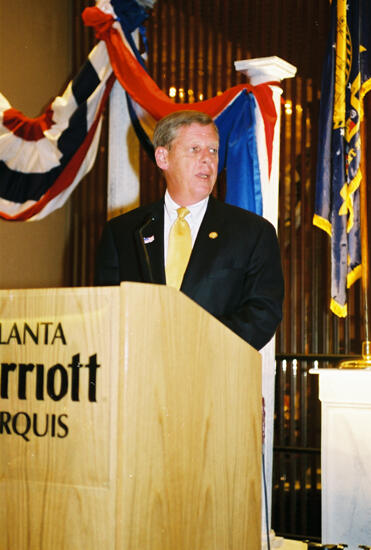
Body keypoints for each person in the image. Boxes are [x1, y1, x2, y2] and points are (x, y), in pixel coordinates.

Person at [94, 110, 284, 350]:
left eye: (213, 150)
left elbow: (262, 313)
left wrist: (196, 343)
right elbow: (107, 310)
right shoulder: (123, 232)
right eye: (195, 149)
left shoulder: (253, 233)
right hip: (141, 374)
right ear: (163, 158)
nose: (207, 159)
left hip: (217, 373)